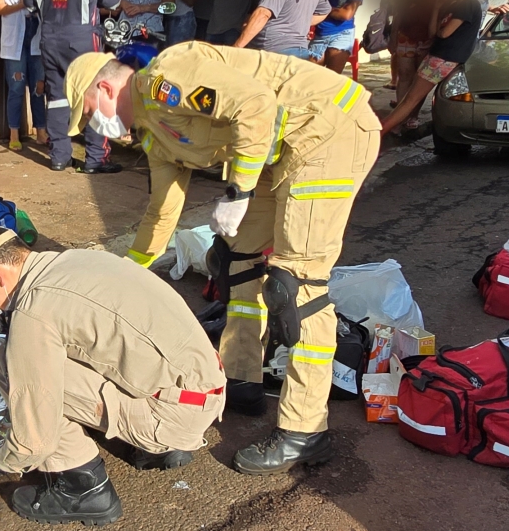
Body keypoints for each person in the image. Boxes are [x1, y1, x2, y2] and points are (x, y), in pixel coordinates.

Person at [64, 43, 380, 475]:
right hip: (281, 149)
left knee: (297, 284)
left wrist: (240, 191)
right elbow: (161, 211)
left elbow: (254, 104)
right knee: (237, 262)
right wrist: (124, 271)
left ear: (104, 87)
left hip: (328, 129)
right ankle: (242, 378)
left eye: (88, 113)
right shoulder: (154, 132)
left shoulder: (166, 77)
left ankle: (305, 430)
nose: (95, 127)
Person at [0, 224, 226, 525]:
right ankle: (163, 445)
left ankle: (83, 487)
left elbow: (34, 437)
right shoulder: (74, 260)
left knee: (8, 362)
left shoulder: (34, 309)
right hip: (204, 384)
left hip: (175, 416)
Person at [25, 0, 123, 174]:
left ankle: (59, 157)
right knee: (94, 96)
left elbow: (28, 4)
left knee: (57, 97)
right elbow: (113, 3)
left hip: (49, 41)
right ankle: (95, 159)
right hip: (82, 42)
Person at [380, 0, 483, 135]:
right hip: (439, 56)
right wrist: (436, 9)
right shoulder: (455, 5)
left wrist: (439, 31)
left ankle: (381, 130)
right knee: (410, 98)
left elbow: (444, 33)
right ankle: (389, 127)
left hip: (444, 57)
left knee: (410, 99)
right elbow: (432, 32)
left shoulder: (467, 5)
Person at [0, 0, 48, 151]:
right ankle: (14, 133)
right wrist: (20, 4)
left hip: (36, 38)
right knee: (16, 88)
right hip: (16, 39)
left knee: (38, 87)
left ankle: (41, 132)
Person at [233, 0, 331, 58]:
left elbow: (263, 14)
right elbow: (325, 10)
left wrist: (236, 48)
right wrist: (297, 21)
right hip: (299, 51)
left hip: (275, 52)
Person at [309, 0, 364, 73]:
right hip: (320, 33)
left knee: (332, 76)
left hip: (341, 34)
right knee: (311, 74)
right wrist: (336, 10)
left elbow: (346, 14)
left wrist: (325, 10)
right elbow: (314, 5)